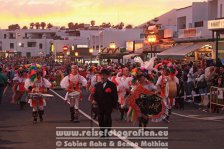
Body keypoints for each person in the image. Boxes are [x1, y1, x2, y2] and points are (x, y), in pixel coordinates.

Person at [93, 69, 118, 137]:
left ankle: (107, 131)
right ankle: (102, 131)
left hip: (108, 105)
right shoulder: (97, 85)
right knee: (100, 118)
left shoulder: (112, 85)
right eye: (101, 75)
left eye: (104, 75)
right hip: (100, 105)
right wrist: (94, 101)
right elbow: (95, 94)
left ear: (107, 76)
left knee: (107, 118)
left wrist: (114, 106)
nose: (102, 76)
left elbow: (115, 96)